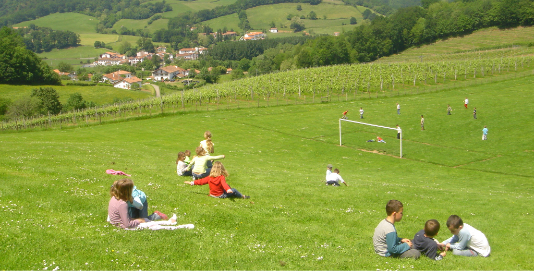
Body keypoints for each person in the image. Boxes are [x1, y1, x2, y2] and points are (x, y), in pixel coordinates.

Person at [108, 179, 193, 230]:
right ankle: (181, 226)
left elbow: (120, 218)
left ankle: (169, 222)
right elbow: (127, 224)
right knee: (153, 226)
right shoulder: (123, 204)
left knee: (147, 220)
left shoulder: (114, 198)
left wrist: (138, 219)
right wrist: (138, 221)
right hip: (124, 227)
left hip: (119, 224)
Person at [184, 161, 250, 199]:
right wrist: (228, 189)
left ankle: (230, 191)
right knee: (234, 190)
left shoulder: (210, 177)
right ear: (222, 169)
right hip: (220, 195)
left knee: (228, 186)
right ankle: (242, 196)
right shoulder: (221, 177)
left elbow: (201, 181)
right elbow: (224, 184)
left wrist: (192, 182)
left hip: (212, 194)